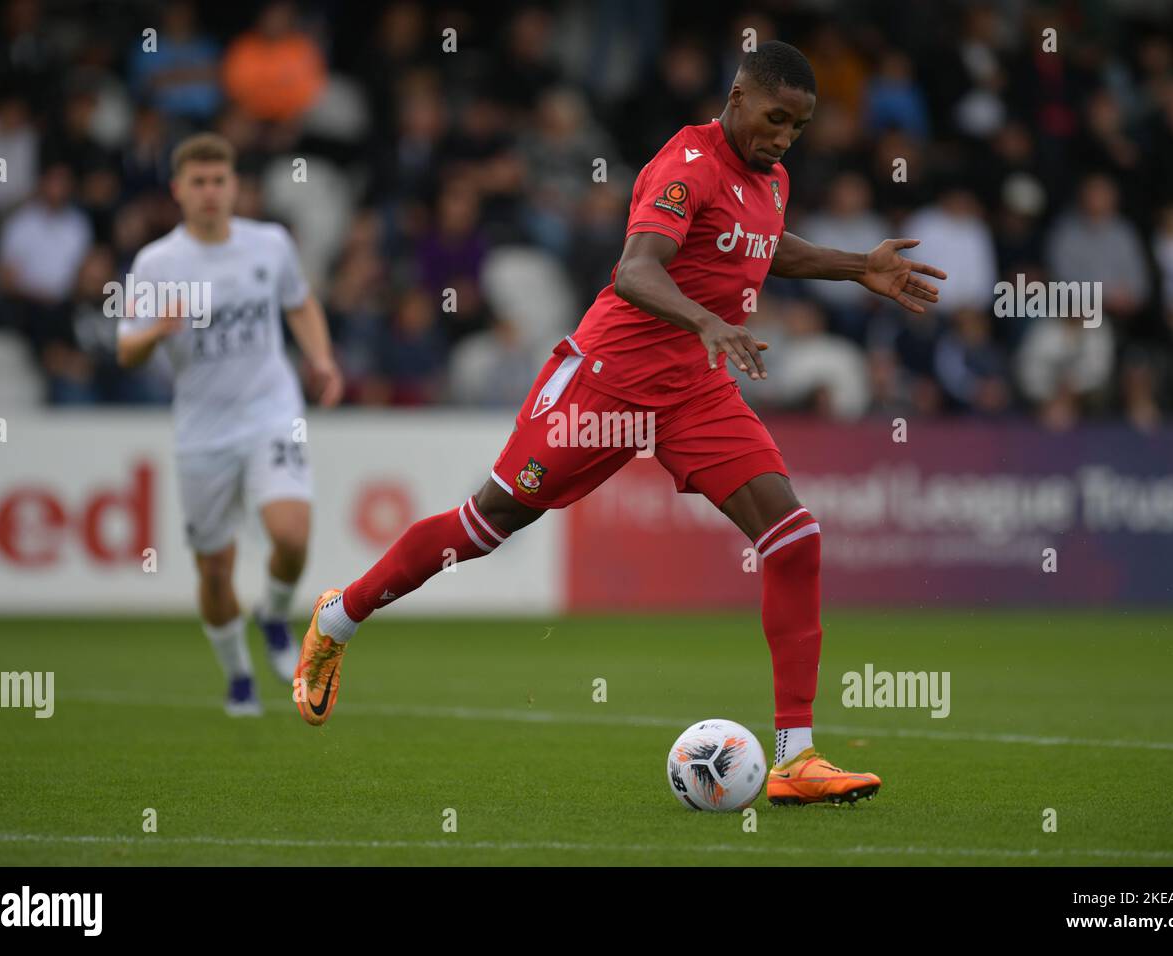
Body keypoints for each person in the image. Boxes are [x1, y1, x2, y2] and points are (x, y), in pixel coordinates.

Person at [296, 43, 946, 805]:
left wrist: (855, 266)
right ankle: (339, 617)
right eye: (774, 119)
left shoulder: (770, 178)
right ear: (737, 97)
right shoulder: (687, 163)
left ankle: (795, 758)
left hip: (694, 394)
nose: (782, 138)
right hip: (605, 385)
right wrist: (707, 321)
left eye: (797, 128)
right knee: (484, 524)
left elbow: (764, 248)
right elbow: (635, 271)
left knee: (794, 538)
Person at [116, 133, 342, 715]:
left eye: (220, 181)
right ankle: (238, 675)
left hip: (272, 411)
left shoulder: (269, 244)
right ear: (178, 191)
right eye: (199, 182)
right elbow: (125, 351)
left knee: (291, 535)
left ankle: (271, 611)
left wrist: (320, 359)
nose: (211, 192)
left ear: (235, 185)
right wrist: (154, 331)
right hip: (202, 430)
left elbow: (299, 301)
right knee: (215, 568)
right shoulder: (156, 263)